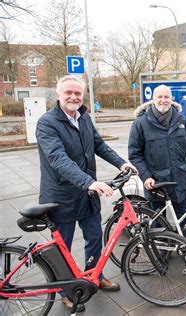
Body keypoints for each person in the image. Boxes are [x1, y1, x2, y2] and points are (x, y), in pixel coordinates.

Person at [36, 75, 137, 311]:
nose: (73, 97)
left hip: (87, 193)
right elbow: (58, 159)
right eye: (68, 92)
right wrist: (89, 182)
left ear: (83, 96)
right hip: (61, 196)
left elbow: (99, 145)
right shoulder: (47, 123)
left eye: (77, 93)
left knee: (94, 237)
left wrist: (121, 163)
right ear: (58, 95)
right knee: (62, 248)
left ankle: (96, 275)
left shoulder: (84, 117)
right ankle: (64, 290)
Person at [128, 85, 186, 238]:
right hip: (156, 182)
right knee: (157, 221)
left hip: (178, 180)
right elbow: (135, 154)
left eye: (167, 97)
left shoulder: (180, 120)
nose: (163, 100)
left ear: (171, 99)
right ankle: (161, 254)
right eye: (160, 97)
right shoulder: (141, 123)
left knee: (182, 218)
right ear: (153, 99)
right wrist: (146, 176)